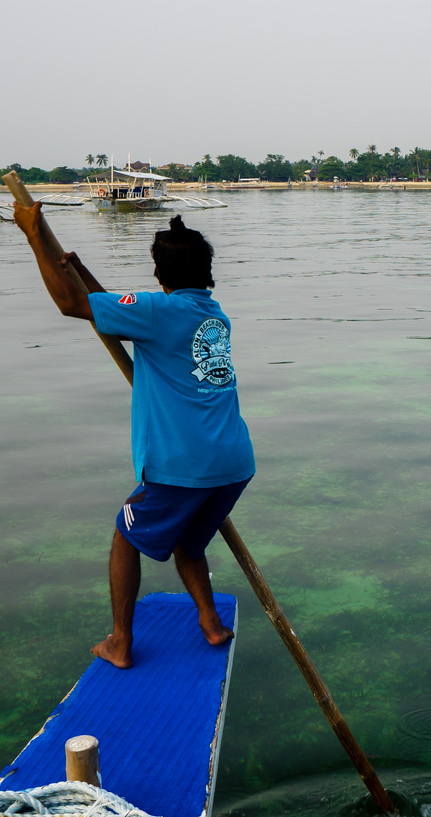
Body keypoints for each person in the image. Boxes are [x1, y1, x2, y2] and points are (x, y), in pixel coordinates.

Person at [15, 207, 255, 668]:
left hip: (183, 465)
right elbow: (115, 314)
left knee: (126, 536)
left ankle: (120, 642)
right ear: (206, 272)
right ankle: (210, 623)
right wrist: (82, 271)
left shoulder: (159, 311)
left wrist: (32, 237)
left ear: (158, 273)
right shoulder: (213, 314)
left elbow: (72, 305)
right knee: (188, 542)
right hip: (233, 462)